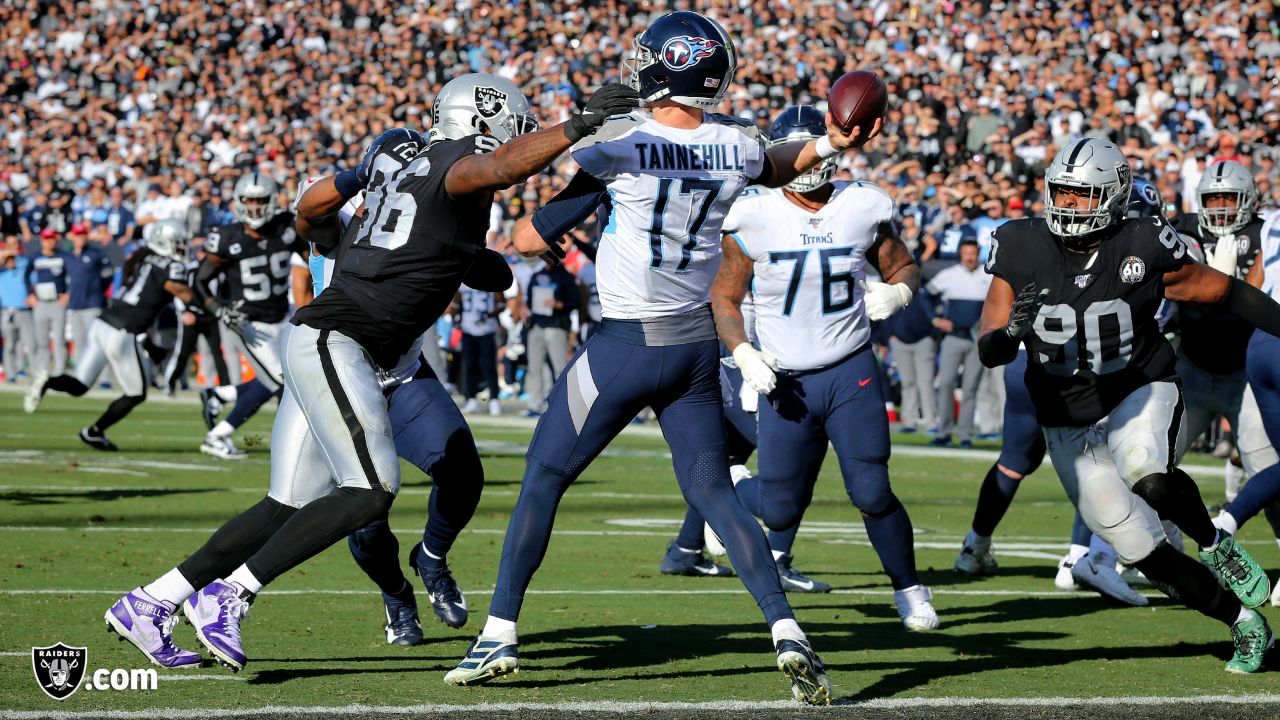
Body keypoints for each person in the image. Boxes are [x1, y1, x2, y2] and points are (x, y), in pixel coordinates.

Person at [105, 73, 639, 672]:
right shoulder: (455, 164)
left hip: (344, 343)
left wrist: (464, 254)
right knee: (371, 490)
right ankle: (230, 594)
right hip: (344, 342)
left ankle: (152, 601)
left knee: (287, 503)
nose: (515, 133)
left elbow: (437, 238)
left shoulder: (401, 172)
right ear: (483, 116)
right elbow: (486, 173)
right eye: (511, 121)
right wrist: (574, 127)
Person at [445, 13, 864, 704]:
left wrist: (572, 152)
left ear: (665, 67)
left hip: (625, 346)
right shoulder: (735, 145)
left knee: (544, 476)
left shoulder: (621, 138)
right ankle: (786, 628)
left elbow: (525, 236)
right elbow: (781, 162)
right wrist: (828, 140)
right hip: (696, 350)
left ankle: (498, 633)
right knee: (713, 492)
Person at [978, 137, 1280, 673]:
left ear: (1114, 195)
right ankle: (1243, 623)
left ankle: (1216, 544)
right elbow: (990, 347)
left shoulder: (1141, 239)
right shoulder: (1020, 244)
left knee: (1148, 471)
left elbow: (1226, 293)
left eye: (1083, 194)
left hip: (1138, 387)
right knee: (1142, 551)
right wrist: (1009, 335)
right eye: (1063, 193)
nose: (1069, 205)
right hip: (1065, 419)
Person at [710, 105, 937, 630]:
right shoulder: (754, 213)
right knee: (781, 511)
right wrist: (743, 352)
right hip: (785, 375)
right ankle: (724, 485)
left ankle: (910, 590)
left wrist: (901, 290)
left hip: (849, 369)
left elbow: (902, 262)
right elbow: (724, 297)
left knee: (872, 491)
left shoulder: (861, 204)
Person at [24, 220, 195, 451]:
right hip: (123, 330)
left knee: (80, 385)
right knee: (136, 394)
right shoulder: (168, 266)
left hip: (103, 322)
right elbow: (182, 292)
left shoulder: (141, 257)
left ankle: (48, 380)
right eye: (177, 243)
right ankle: (94, 431)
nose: (182, 247)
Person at [195, 172, 303, 459]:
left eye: (260, 201)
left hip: (284, 317)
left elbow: (313, 260)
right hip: (249, 324)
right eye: (249, 201)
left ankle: (222, 396)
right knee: (283, 380)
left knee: (278, 379)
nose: (255, 208)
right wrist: (219, 309)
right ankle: (218, 435)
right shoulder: (227, 238)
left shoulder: (287, 227)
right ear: (238, 203)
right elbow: (199, 281)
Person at [924, 238, 991, 448]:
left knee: (970, 388)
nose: (970, 257)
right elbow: (926, 296)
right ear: (961, 254)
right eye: (966, 253)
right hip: (953, 338)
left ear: (978, 254)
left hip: (977, 341)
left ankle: (965, 435)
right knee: (945, 385)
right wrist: (936, 320)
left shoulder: (988, 276)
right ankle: (944, 432)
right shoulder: (949, 275)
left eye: (973, 253)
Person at [522, 258, 578, 415]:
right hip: (537, 325)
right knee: (535, 368)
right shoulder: (537, 274)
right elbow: (529, 299)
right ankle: (534, 404)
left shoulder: (565, 277)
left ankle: (562, 405)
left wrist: (560, 305)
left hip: (556, 326)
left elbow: (575, 301)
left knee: (559, 368)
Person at [24, 228, 73, 383]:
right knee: (42, 340)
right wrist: (29, 295)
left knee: (58, 339)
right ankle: (41, 372)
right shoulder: (35, 257)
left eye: (51, 238)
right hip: (41, 302)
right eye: (46, 239)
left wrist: (69, 293)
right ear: (42, 240)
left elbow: (74, 275)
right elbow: (25, 276)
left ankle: (59, 372)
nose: (49, 241)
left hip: (57, 302)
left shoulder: (63, 257)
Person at [64, 223, 114, 374]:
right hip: (75, 305)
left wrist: (97, 290)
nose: (80, 238)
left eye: (83, 234)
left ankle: (104, 377)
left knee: (98, 342)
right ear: (72, 236)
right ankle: (81, 374)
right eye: (77, 235)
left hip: (93, 304)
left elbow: (108, 274)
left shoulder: (95, 254)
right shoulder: (68, 256)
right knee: (79, 342)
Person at [458, 284, 505, 415]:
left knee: (489, 366)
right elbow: (456, 302)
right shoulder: (463, 282)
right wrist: (455, 317)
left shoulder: (491, 279)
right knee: (469, 366)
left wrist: (489, 314)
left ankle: (494, 399)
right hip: (467, 329)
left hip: (487, 330)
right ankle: (470, 399)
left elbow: (501, 304)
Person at [0, 238, 33, 381]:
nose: (13, 246)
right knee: (10, 345)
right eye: (10, 244)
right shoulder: (2, 266)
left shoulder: (24, 262)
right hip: (7, 310)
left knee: (28, 343)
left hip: (24, 309)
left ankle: (25, 370)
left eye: (15, 244)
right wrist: (6, 255)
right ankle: (11, 373)